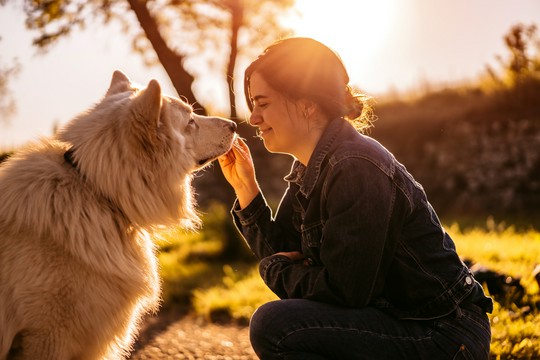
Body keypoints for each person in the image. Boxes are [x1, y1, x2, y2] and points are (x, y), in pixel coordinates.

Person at [218, 37, 493, 360]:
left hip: (443, 333)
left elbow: (345, 291)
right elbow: (283, 251)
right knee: (280, 326)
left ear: (306, 104)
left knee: (277, 325)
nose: (253, 119)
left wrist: (277, 269)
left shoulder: (355, 165)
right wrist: (246, 188)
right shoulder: (312, 167)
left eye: (262, 103)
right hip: (396, 322)